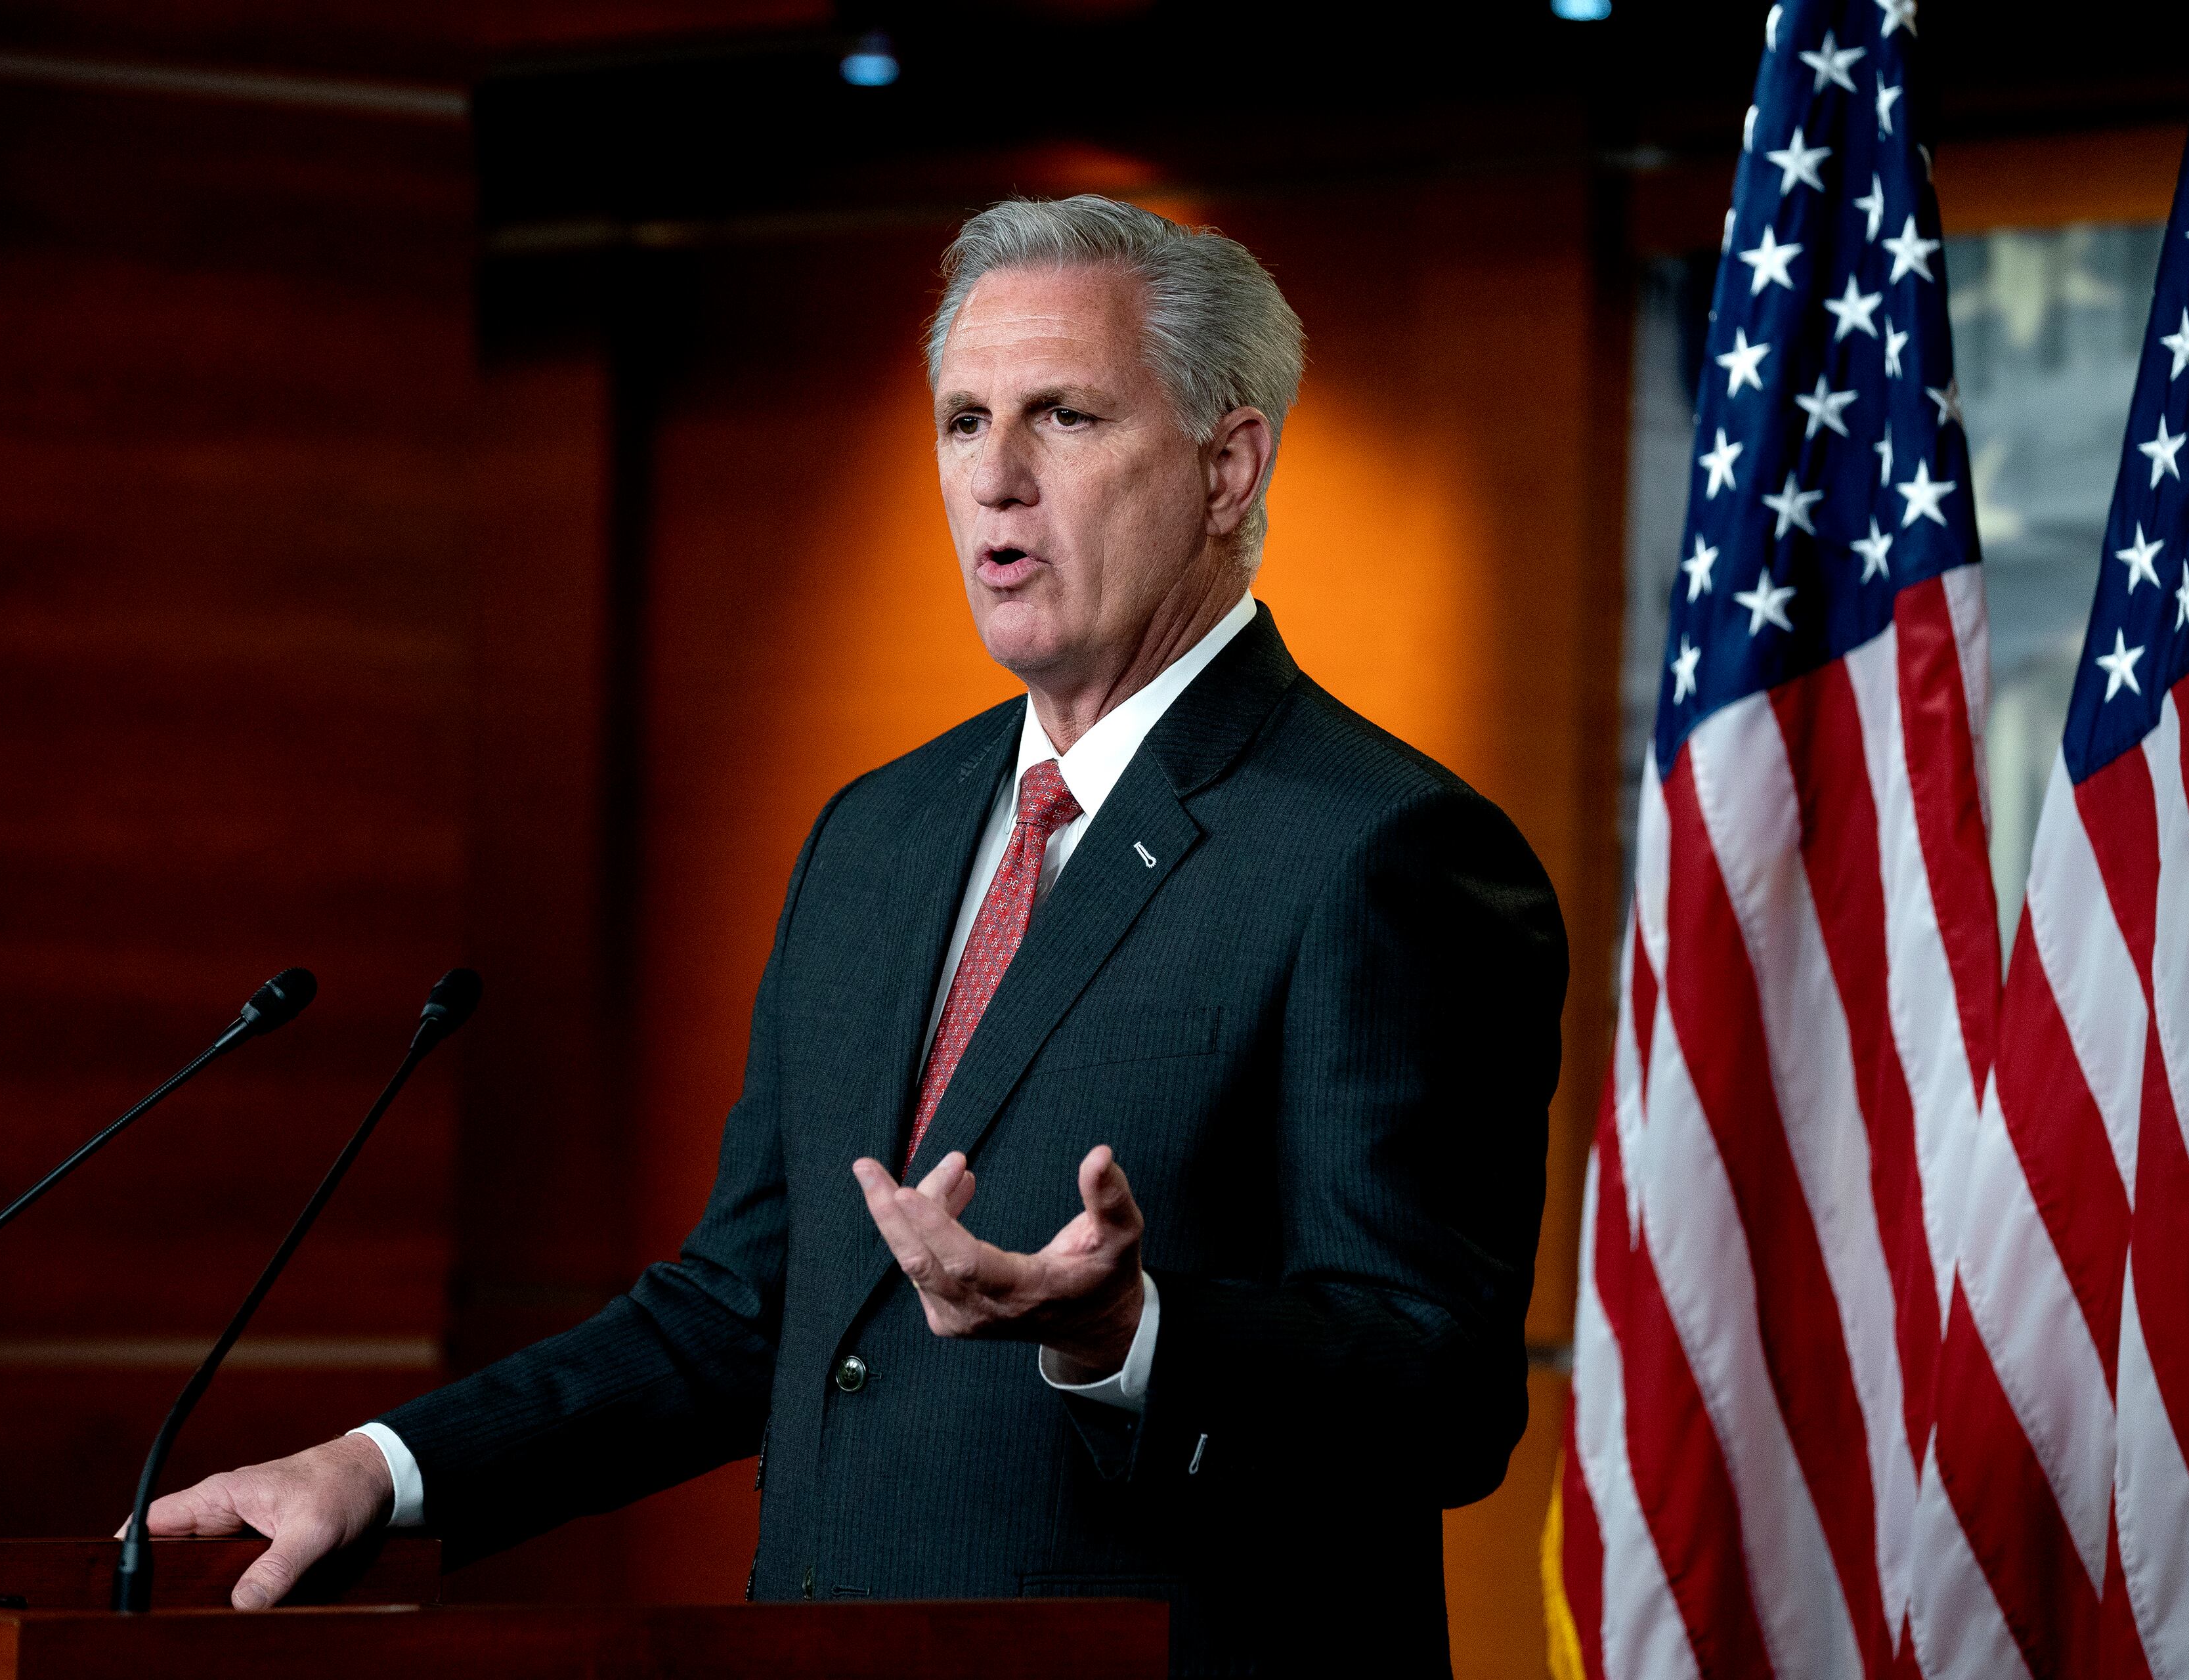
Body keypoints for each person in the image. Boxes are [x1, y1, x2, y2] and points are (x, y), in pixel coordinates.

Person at [143, 194, 1567, 1676]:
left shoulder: (1385, 848)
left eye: (1066, 417)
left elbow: (1443, 1391)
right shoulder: (877, 832)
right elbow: (742, 1305)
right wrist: (381, 1469)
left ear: (1229, 466)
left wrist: (1133, 1334)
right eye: (964, 422)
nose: (996, 479)